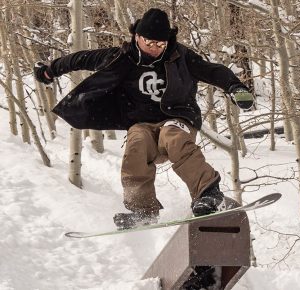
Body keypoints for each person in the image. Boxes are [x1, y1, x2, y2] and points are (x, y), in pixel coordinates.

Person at [34, 8, 254, 229]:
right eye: (149, 43)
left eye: (161, 45)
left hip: (178, 117)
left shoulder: (182, 57)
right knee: (136, 144)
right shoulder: (119, 57)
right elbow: (79, 59)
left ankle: (208, 193)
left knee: (173, 137)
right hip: (142, 123)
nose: (155, 49)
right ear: (137, 37)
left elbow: (213, 71)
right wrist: (49, 71)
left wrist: (235, 87)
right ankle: (142, 210)